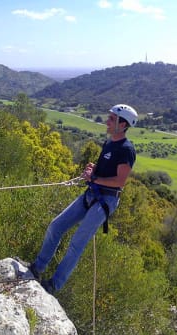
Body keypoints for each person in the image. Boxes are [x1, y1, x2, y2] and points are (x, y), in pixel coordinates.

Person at [29, 104, 138, 294]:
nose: (107, 121)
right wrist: (93, 170)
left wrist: (94, 178)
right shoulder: (110, 143)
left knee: (77, 243)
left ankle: (54, 285)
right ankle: (37, 268)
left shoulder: (126, 150)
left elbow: (120, 182)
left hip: (106, 200)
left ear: (123, 124)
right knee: (56, 226)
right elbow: (107, 170)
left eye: (112, 119)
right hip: (92, 193)